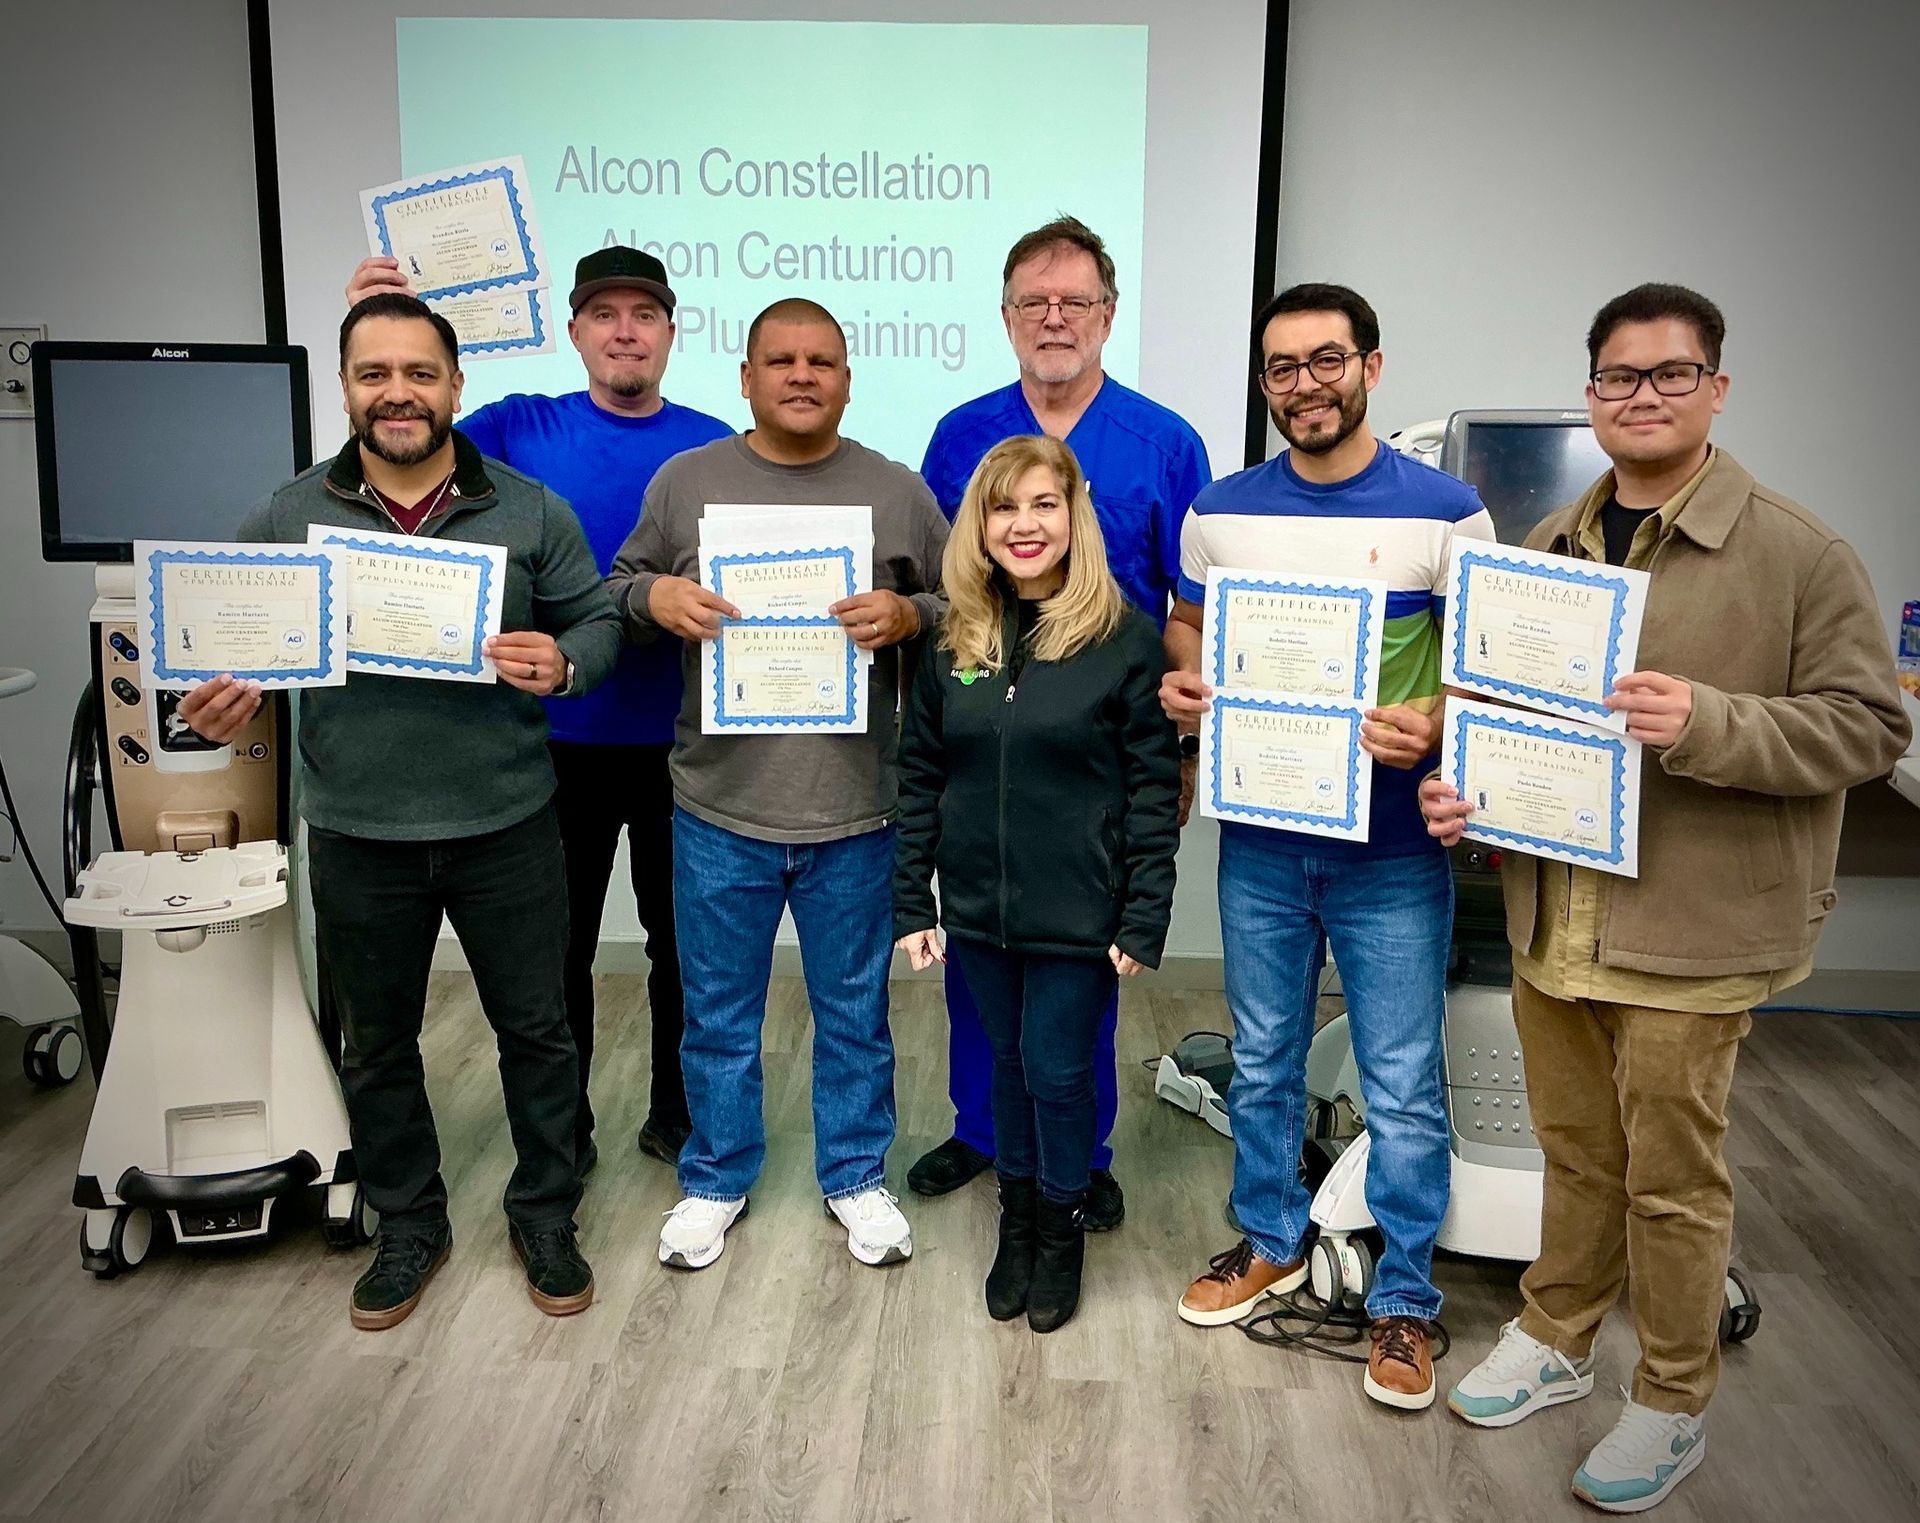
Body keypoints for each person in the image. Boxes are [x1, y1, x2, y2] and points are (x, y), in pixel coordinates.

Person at [1424, 284, 1911, 1511]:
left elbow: (1867, 727)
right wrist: (1464, 792)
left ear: (1717, 388)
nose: (1641, 397)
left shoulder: (1800, 552)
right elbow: (1500, 719)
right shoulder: (1544, 552)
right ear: (1591, 394)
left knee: (1673, 1179)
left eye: (1670, 375)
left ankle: (1674, 1396)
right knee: (1574, 1157)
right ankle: (1556, 1333)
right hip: (1555, 922)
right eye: (1619, 378)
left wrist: (1710, 720)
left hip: (1691, 931)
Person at [181, 292, 622, 1328]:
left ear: (455, 385)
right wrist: (219, 690)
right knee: (376, 1042)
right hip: (358, 830)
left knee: (539, 1031)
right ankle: (410, 1219)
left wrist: (564, 662)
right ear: (346, 388)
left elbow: (598, 617)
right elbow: (225, 640)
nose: (398, 393)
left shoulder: (528, 506)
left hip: (509, 821)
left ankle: (546, 1212)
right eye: (374, 373)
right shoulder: (289, 515)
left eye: (419, 373)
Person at [1160, 283, 1494, 1410]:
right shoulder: (1219, 507)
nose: (1304, 384)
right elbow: (1188, 624)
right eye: (1281, 368)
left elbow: (1484, 665)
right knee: (1260, 1061)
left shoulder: (1448, 510)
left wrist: (1441, 720)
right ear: (1265, 385)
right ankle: (1267, 1237)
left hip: (1393, 847)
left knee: (1400, 1085)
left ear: (1371, 368)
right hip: (1260, 837)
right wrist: (1186, 676)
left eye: (1325, 360)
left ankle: (1406, 1300)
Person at [347, 246, 732, 1176]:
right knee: (556, 959)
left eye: (645, 314)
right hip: (552, 743)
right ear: (574, 332)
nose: (625, 330)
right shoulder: (517, 426)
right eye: (605, 315)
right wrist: (390, 313)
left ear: (673, 335)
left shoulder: (717, 440)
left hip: (690, 743)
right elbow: (395, 440)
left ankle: (679, 1117)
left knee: (687, 950)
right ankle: (569, 1131)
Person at [606, 297, 949, 1270]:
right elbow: (619, 590)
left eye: (823, 361)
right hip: (719, 806)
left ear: (847, 378)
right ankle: (715, 1176)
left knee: (855, 1012)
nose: (803, 375)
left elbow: (961, 601)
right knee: (717, 1014)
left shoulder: (896, 489)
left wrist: (910, 612)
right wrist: (655, 594)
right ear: (745, 376)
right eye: (782, 360)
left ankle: (855, 1174)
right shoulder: (687, 482)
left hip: (858, 808)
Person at [908, 215, 1212, 1231]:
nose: (1053, 316)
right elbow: (946, 590)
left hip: (1100, 743)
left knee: (1088, 963)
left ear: (1108, 314)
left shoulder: (1166, 442)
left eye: (1074, 300)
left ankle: (1079, 1152)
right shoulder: (959, 434)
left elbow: (1189, 603)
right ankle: (987, 1132)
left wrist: (1171, 738)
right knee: (982, 947)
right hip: (989, 740)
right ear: (1004, 317)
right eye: (1033, 301)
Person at [893, 435, 1180, 1332]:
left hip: (1080, 915)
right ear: (980, 524)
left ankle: (1060, 1230)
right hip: (980, 912)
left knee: (1059, 1073)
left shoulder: (1125, 640)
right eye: (1004, 507)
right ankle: (1015, 1225)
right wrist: (912, 901)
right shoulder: (952, 640)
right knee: (1008, 1071)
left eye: (1043, 505)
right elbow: (918, 776)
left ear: (1074, 515)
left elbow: (1152, 787)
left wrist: (1145, 915)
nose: (1024, 525)